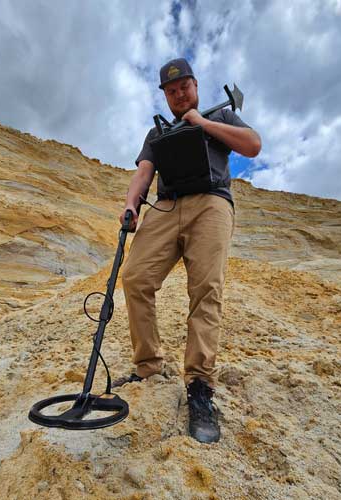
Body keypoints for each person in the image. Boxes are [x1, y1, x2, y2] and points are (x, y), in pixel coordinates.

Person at [115, 58, 261, 443]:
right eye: (171, 90)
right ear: (165, 95)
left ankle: (199, 386)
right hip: (166, 207)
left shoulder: (221, 116)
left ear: (195, 86)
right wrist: (131, 204)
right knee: (135, 278)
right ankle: (148, 365)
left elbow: (253, 145)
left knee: (205, 289)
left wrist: (203, 123)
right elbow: (144, 171)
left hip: (211, 203)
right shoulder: (157, 132)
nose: (179, 94)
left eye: (184, 87)